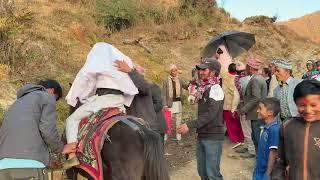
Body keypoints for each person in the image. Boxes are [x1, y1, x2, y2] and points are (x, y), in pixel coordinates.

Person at [64, 43, 139, 168]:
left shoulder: (98, 60)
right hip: (119, 101)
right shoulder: (124, 60)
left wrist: (76, 96)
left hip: (103, 100)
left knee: (71, 119)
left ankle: (72, 156)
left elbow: (86, 80)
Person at [0, 80, 73, 180]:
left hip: (4, 168)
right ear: (52, 90)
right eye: (55, 98)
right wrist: (61, 148)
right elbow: (47, 130)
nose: (53, 101)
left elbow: (25, 137)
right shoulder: (46, 96)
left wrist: (48, 160)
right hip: (29, 168)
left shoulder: (17, 103)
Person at [177, 58, 225, 180]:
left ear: (213, 72)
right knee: (202, 172)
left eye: (204, 69)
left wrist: (190, 124)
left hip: (213, 137)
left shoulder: (216, 89)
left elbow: (211, 114)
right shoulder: (204, 87)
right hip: (203, 135)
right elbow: (191, 86)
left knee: (212, 174)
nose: (201, 72)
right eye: (200, 69)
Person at [272, 79, 320, 180]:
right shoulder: (287, 127)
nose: (308, 110)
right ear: (295, 104)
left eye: (313, 105)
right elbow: (280, 161)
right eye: (302, 105)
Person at [240, 58, 268, 155]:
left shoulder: (255, 79)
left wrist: (244, 109)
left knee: (257, 137)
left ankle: (259, 160)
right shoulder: (259, 78)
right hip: (258, 111)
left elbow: (256, 98)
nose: (245, 68)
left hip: (256, 113)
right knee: (257, 136)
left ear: (250, 68)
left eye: (247, 66)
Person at [253, 98, 280, 180]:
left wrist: (268, 173)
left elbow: (273, 152)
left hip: (265, 172)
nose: (257, 111)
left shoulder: (274, 129)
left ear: (270, 113)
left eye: (260, 108)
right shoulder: (265, 127)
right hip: (259, 168)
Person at [162, 64, 189, 145]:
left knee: (178, 121)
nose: (175, 72)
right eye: (173, 70)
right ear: (170, 71)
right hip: (169, 104)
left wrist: (192, 82)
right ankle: (164, 138)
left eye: (176, 70)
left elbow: (186, 86)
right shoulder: (166, 80)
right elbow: (163, 94)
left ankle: (179, 138)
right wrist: (164, 105)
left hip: (178, 103)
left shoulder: (179, 79)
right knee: (167, 121)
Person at [222, 63, 244, 144]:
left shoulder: (225, 77)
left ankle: (234, 139)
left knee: (230, 123)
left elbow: (221, 70)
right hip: (240, 105)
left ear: (228, 69)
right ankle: (241, 138)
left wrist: (218, 57)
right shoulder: (241, 78)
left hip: (228, 105)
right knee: (239, 122)